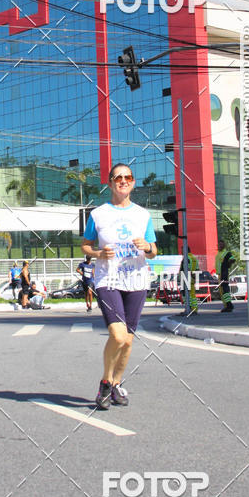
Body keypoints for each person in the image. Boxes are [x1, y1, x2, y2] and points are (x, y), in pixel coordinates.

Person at [81, 163, 157, 410]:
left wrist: (147, 248)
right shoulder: (98, 214)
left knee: (128, 341)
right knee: (117, 334)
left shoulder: (143, 215)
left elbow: (154, 251)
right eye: (118, 177)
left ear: (133, 182)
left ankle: (116, 384)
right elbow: (85, 246)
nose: (123, 181)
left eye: (128, 177)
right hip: (108, 279)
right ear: (110, 182)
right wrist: (98, 253)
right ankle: (105, 381)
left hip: (136, 279)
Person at [215, 241, 235, 313]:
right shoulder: (218, 254)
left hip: (224, 273)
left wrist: (227, 265)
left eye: (220, 245)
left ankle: (229, 305)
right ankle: (226, 305)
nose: (218, 246)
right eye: (218, 245)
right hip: (220, 274)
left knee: (225, 290)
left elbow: (232, 259)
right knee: (222, 291)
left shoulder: (226, 253)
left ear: (223, 245)